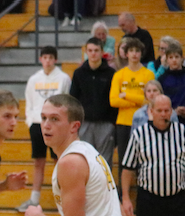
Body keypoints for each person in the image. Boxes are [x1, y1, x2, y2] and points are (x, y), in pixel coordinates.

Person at [17, 45, 71, 212]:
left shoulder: (63, 78)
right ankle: (34, 199)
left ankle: (64, 198)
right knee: (38, 162)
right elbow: (29, 102)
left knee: (59, 161)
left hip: (56, 124)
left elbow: (66, 102)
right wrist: (30, 121)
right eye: (44, 57)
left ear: (55, 59)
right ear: (40, 59)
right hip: (36, 124)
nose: (47, 61)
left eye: (50, 58)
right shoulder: (34, 79)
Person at [110, 38, 155, 186]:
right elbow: (114, 101)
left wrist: (126, 95)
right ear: (126, 54)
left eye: (137, 51)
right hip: (123, 123)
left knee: (144, 160)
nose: (134, 54)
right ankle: (123, 197)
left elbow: (149, 101)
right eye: (131, 51)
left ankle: (143, 192)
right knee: (124, 161)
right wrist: (137, 100)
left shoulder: (148, 75)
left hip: (144, 122)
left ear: (141, 54)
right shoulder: (119, 74)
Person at [69, 37, 118, 165]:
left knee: (105, 162)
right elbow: (73, 99)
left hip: (105, 123)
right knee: (85, 160)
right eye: (90, 50)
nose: (93, 53)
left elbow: (114, 99)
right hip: (85, 123)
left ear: (102, 52)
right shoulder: (79, 73)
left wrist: (112, 122)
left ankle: (105, 186)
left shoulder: (111, 73)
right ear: (86, 52)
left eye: (96, 50)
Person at [159, 42, 185, 117]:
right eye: (171, 57)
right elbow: (160, 100)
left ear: (182, 58)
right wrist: (173, 111)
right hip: (170, 116)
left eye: (176, 57)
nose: (174, 60)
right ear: (166, 60)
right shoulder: (162, 79)